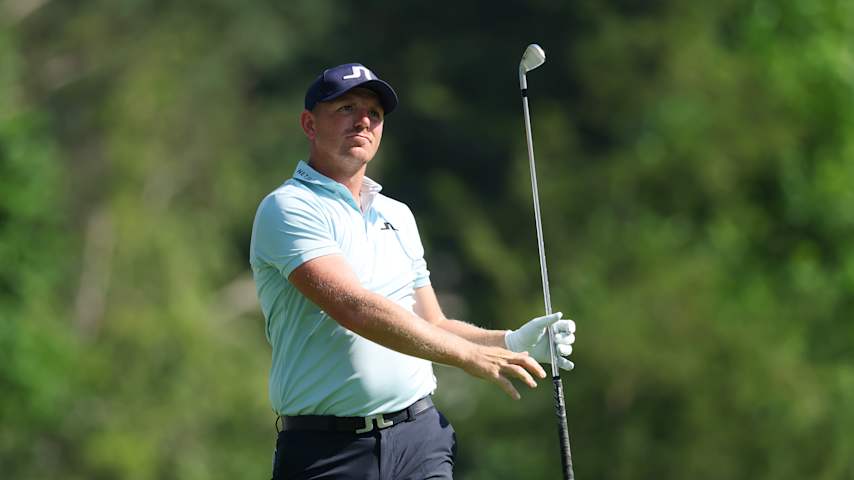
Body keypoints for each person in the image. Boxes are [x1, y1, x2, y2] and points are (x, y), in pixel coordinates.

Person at [249, 62, 576, 480]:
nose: (363, 121)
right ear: (309, 124)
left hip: (419, 438)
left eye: (374, 113)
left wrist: (510, 343)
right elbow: (354, 308)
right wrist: (469, 356)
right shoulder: (288, 207)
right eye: (347, 108)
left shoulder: (397, 215)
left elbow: (432, 323)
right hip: (327, 451)